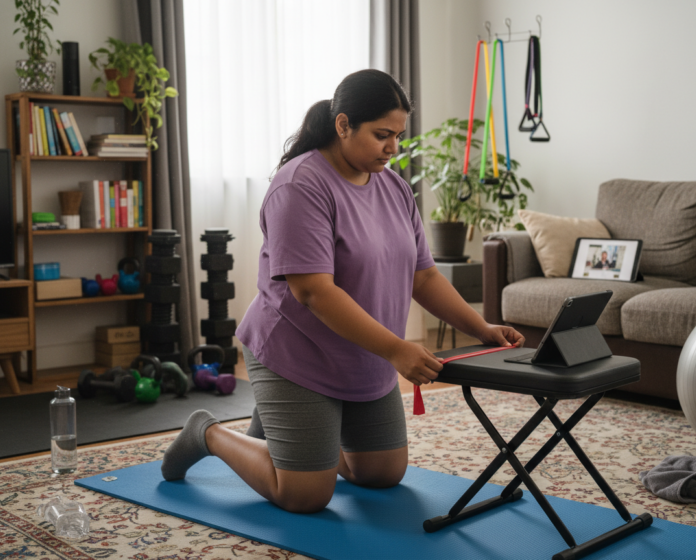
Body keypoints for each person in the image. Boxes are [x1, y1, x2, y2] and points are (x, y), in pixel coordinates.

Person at [161, 69, 525, 514]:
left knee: (382, 473)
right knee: (305, 495)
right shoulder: (299, 185)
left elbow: (423, 276)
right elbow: (313, 291)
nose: (393, 148)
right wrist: (397, 350)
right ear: (343, 125)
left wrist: (481, 327)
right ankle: (208, 433)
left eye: (398, 136)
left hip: (362, 353)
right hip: (298, 350)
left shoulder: (393, 187)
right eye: (382, 135)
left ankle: (290, 438)